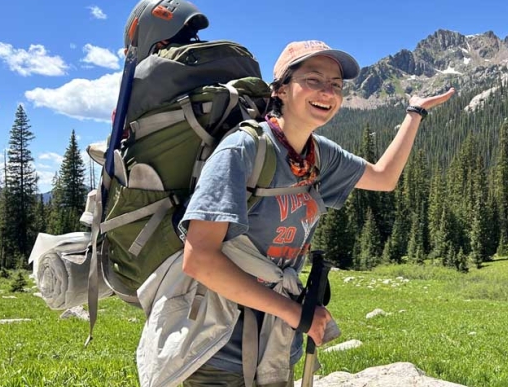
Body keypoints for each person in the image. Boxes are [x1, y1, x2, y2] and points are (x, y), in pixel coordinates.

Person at [178, 40, 456, 386]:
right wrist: (296, 313)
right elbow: (199, 258)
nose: (328, 92)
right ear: (280, 89)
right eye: (313, 80)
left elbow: (384, 178)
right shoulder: (244, 149)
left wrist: (414, 112)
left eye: (336, 85)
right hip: (217, 346)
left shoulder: (320, 156)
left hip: (277, 346)